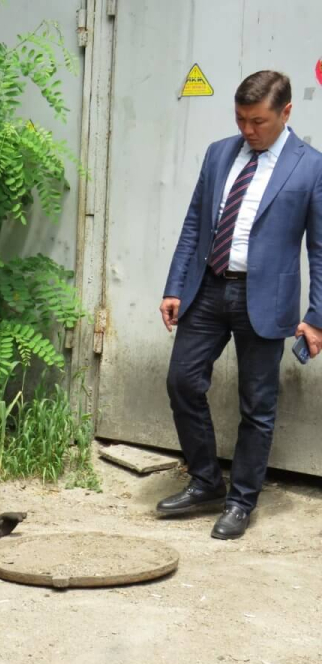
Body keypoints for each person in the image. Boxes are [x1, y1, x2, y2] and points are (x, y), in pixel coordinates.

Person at [158, 70, 322, 540]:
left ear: (286, 112)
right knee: (182, 381)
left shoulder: (311, 167)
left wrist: (317, 318)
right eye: (241, 120)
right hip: (208, 288)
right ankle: (206, 480)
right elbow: (194, 223)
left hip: (266, 299)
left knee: (258, 406)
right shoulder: (218, 153)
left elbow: (320, 250)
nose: (248, 131)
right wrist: (174, 286)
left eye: (258, 121)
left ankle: (241, 501)